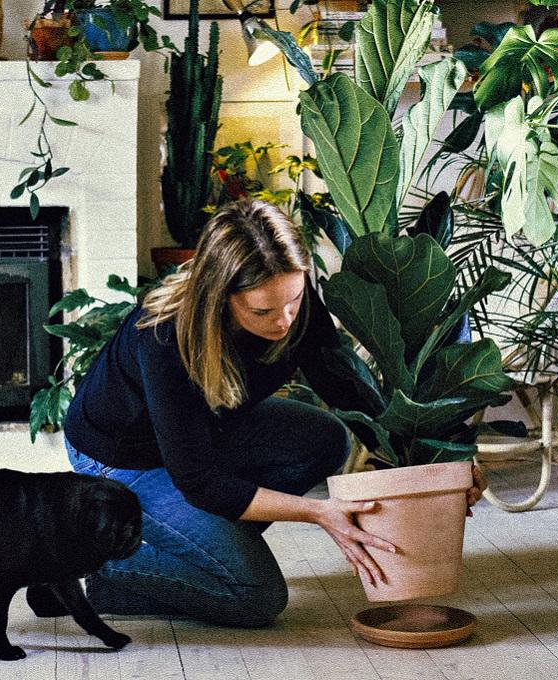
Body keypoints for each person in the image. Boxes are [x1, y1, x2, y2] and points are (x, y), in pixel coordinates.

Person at [62, 199, 486, 627]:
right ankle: (93, 569)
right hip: (120, 460)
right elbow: (199, 480)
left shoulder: (289, 297)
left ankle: (209, 550)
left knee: (325, 440)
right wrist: (318, 512)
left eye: (294, 301)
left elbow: (343, 387)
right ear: (220, 296)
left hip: (207, 433)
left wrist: (442, 467)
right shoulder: (165, 335)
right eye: (262, 311)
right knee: (257, 596)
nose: (284, 321)